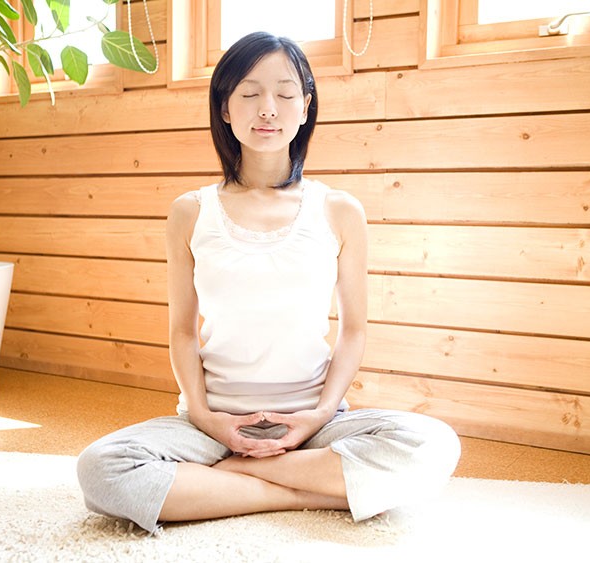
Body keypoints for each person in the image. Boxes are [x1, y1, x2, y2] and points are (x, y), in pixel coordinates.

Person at [77, 31, 461, 534]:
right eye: (250, 93)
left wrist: (319, 416)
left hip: (315, 422)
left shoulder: (339, 210)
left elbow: (353, 331)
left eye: (284, 94)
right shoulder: (190, 212)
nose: (268, 109)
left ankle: (226, 486)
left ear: (305, 108)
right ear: (224, 107)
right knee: (99, 469)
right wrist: (205, 416)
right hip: (215, 424)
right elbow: (184, 332)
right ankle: (306, 490)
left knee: (434, 446)